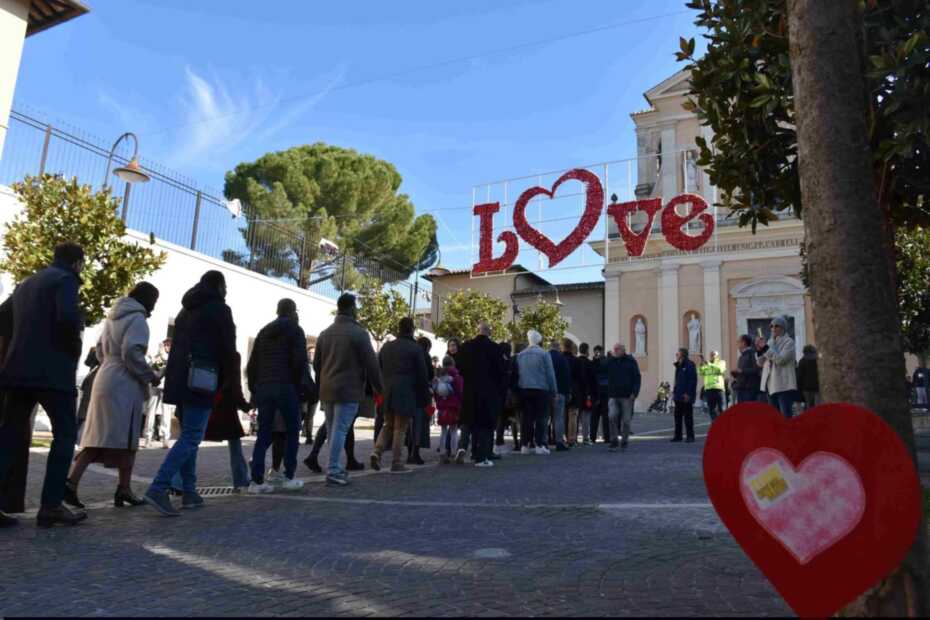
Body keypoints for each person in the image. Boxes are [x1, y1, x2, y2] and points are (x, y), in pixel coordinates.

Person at [0, 242, 86, 528]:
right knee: (64, 434)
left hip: (17, 369)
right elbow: (67, 319)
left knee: (9, 436)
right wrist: (73, 349)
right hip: (52, 372)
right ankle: (50, 505)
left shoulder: (27, 283)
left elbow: (5, 318)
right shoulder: (66, 280)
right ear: (77, 263)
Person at [144, 270, 237, 516]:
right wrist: (229, 381)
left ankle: (189, 490)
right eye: (225, 286)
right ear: (218, 286)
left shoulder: (187, 310)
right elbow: (228, 348)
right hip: (202, 378)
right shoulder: (219, 309)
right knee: (193, 436)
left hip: (180, 379)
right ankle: (159, 486)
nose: (226, 291)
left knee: (189, 434)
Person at [65, 282, 161, 510]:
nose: (154, 307)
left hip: (105, 375)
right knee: (124, 435)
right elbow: (131, 351)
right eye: (153, 301)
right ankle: (117, 488)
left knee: (98, 433)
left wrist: (109, 362)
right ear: (146, 299)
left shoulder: (112, 318)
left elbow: (99, 349)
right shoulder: (137, 319)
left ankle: (82, 483)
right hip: (123, 383)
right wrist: (150, 375)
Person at [316, 293, 382, 486]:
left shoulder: (325, 333)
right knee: (340, 430)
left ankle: (333, 466)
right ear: (352, 308)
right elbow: (372, 364)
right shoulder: (359, 333)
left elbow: (317, 364)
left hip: (327, 388)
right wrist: (379, 389)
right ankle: (334, 469)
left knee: (332, 429)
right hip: (348, 388)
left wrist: (323, 380)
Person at [246, 299, 310, 493]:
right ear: (292, 312)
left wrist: (254, 388)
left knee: (264, 431)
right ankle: (288, 475)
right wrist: (302, 388)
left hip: (264, 385)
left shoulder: (264, 331)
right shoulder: (295, 330)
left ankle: (256, 481)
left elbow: (253, 363)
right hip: (286, 385)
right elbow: (300, 361)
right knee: (292, 429)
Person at [371, 317, 428, 473]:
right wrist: (425, 399)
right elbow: (422, 375)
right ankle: (397, 463)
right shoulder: (415, 348)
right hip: (406, 392)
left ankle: (377, 451)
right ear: (412, 329)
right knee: (400, 428)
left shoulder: (387, 347)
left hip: (388, 391)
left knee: (388, 425)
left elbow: (378, 369)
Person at [458, 322, 506, 467]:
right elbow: (501, 372)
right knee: (485, 425)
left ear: (477, 331)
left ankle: (470, 451)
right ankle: (482, 456)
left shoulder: (466, 346)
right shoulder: (495, 348)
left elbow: (460, 368)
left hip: (470, 391)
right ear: (489, 333)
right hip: (488, 392)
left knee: (471, 422)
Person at [203, 351, 251, 492]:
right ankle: (240, 479)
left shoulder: (207, 350)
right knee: (235, 442)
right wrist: (244, 405)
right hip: (224, 404)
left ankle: (177, 481)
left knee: (191, 439)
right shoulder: (232, 355)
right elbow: (234, 384)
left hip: (204, 399)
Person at [516, 330, 557, 456]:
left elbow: (518, 373)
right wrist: (554, 390)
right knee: (541, 418)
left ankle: (524, 445)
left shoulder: (520, 355)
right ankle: (540, 444)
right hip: (541, 390)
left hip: (524, 389)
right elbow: (550, 374)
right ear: (539, 341)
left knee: (526, 419)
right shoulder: (544, 354)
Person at [606, 343, 641, 451]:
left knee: (626, 420)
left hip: (627, 396)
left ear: (623, 350)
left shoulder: (630, 361)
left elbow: (637, 377)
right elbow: (601, 368)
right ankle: (614, 440)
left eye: (617, 349)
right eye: (614, 349)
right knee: (612, 416)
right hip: (613, 395)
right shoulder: (611, 361)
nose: (615, 351)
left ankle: (624, 440)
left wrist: (635, 393)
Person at [406, 336, 434, 465]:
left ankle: (409, 453)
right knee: (419, 425)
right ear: (427, 347)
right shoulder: (424, 356)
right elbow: (430, 374)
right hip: (421, 395)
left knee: (409, 426)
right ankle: (415, 453)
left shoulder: (410, 353)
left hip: (408, 392)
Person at [763, 316, 797, 418]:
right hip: (771, 384)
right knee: (774, 416)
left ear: (783, 328)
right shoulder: (769, 342)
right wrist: (760, 349)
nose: (773, 328)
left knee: (785, 415)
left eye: (776, 326)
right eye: (771, 326)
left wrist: (766, 349)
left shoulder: (789, 342)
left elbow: (781, 360)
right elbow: (762, 363)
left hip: (784, 385)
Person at [143, 338, 172, 448]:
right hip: (157, 386)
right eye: (166, 345)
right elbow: (153, 369)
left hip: (164, 386)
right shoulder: (159, 357)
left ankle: (164, 438)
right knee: (152, 412)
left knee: (166, 413)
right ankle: (148, 437)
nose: (167, 347)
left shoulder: (164, 357)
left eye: (169, 345)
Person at [434, 356, 463, 464]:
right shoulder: (456, 376)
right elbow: (460, 391)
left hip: (442, 407)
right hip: (453, 407)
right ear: (453, 363)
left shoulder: (439, 377)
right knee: (454, 431)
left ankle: (442, 453)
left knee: (443, 431)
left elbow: (436, 393)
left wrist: (438, 404)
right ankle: (454, 453)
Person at [548, 340, 572, 451]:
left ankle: (543, 442)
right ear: (558, 347)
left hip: (546, 392)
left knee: (544, 418)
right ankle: (559, 442)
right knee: (558, 418)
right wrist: (568, 392)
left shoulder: (546, 356)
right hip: (560, 391)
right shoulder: (562, 358)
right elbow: (567, 376)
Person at [671, 348, 697, 443]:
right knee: (677, 416)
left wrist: (688, 393)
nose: (676, 355)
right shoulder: (678, 365)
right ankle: (678, 436)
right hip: (678, 394)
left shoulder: (690, 365)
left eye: (678, 353)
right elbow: (677, 381)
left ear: (682, 355)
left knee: (688, 417)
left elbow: (692, 380)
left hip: (686, 395)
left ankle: (690, 436)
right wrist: (674, 392)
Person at [76, 346, 100, 444]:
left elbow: (87, 362)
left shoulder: (95, 349)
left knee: (84, 410)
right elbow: (87, 362)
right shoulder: (100, 350)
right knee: (86, 411)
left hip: (91, 381)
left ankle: (79, 435)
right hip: (95, 381)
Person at [563, 339, 583, 448]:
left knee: (562, 416)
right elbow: (580, 378)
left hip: (562, 389)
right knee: (573, 416)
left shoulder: (561, 359)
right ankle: (572, 438)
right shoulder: (576, 361)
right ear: (571, 348)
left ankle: (563, 437)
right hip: (575, 390)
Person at [576, 343, 596, 445]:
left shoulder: (576, 361)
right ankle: (585, 438)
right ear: (587, 351)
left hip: (576, 393)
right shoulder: (589, 363)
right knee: (586, 417)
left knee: (575, 416)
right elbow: (593, 380)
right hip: (587, 393)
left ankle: (573, 438)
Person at [731, 335, 761, 404]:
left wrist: (742, 371)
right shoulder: (742, 356)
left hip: (750, 389)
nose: (737, 344)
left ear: (743, 343)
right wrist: (735, 374)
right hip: (741, 388)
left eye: (738, 342)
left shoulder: (753, 354)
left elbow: (756, 370)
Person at [699, 351, 727, 420]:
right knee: (711, 409)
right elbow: (701, 373)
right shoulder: (707, 364)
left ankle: (724, 425)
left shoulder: (721, 362)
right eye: (711, 355)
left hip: (719, 389)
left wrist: (709, 364)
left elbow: (720, 369)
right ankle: (715, 424)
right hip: (709, 389)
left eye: (714, 354)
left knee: (721, 409)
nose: (712, 356)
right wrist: (701, 365)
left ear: (717, 356)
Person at [796, 344, 820, 411]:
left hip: (806, 388)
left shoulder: (802, 361)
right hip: (817, 387)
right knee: (818, 406)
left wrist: (798, 389)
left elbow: (799, 377)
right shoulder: (817, 360)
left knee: (809, 406)